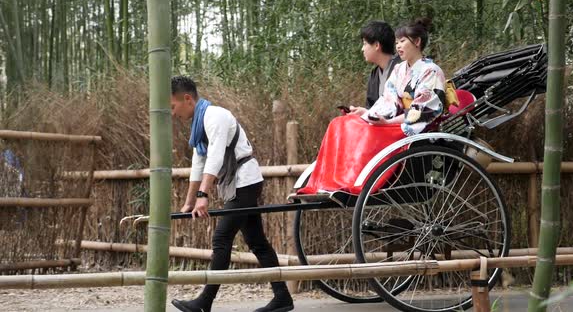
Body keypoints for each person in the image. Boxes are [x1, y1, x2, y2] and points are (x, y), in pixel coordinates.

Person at [169, 76, 293, 312]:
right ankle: (282, 297)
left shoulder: (215, 116)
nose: (173, 114)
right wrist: (188, 202)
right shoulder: (199, 126)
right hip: (238, 184)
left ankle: (205, 302)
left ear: (187, 99)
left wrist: (203, 194)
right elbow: (199, 163)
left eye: (173, 107)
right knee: (257, 242)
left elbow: (215, 157)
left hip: (245, 181)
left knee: (221, 239)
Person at [298, 17, 446, 195]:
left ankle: (354, 181)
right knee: (340, 124)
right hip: (394, 122)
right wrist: (369, 116)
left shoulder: (432, 71)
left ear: (417, 42)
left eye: (403, 42)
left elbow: (422, 112)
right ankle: (333, 181)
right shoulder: (399, 70)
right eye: (397, 42)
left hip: (413, 128)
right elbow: (388, 100)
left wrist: (387, 123)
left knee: (364, 131)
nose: (398, 46)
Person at [360, 20, 402, 108]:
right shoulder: (374, 74)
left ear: (377, 45)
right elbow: (370, 107)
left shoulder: (402, 68)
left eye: (364, 44)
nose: (362, 49)